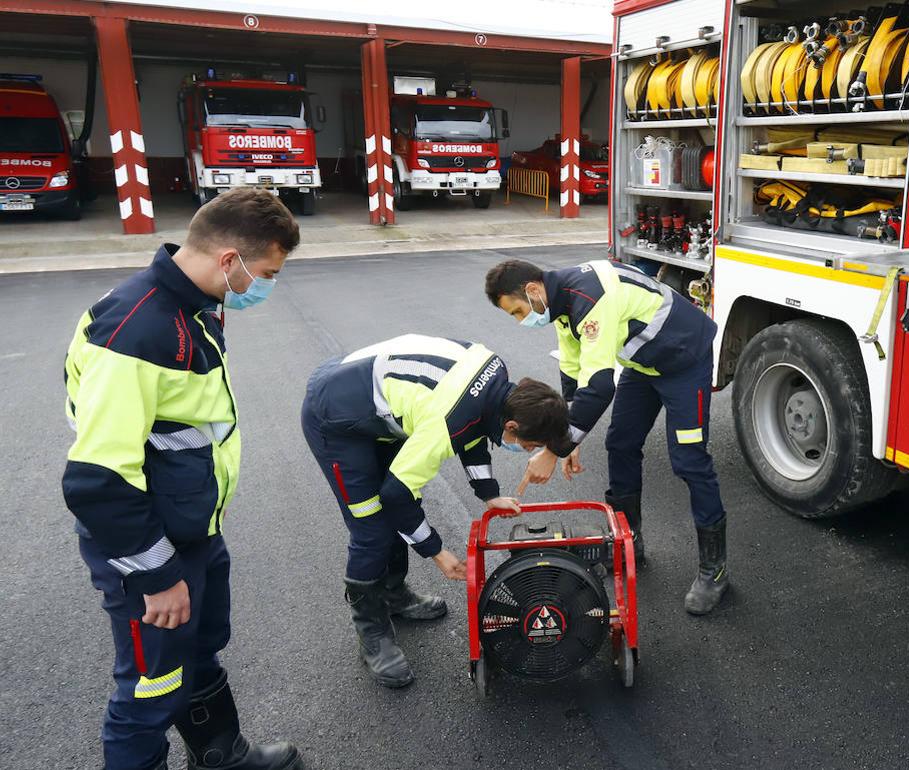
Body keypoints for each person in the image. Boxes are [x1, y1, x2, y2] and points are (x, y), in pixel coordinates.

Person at [62, 188, 303, 770]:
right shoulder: (139, 330)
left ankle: (221, 754)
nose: (263, 285)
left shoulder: (188, 307)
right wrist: (158, 575)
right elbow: (98, 478)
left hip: (190, 526)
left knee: (197, 653)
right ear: (229, 260)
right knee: (150, 689)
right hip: (151, 547)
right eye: (265, 272)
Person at [300, 334, 570, 687]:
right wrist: (437, 551)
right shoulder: (447, 420)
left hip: (374, 408)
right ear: (512, 426)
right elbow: (399, 495)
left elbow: (474, 432)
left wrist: (489, 494)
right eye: (530, 445)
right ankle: (372, 633)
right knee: (373, 528)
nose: (527, 450)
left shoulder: (497, 384)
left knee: (393, 508)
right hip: (335, 417)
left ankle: (394, 594)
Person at [484, 259, 729, 615]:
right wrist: (566, 437)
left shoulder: (588, 297)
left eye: (518, 311)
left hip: (683, 359)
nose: (522, 320)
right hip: (642, 363)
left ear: (533, 290)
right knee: (621, 443)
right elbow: (573, 373)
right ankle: (630, 544)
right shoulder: (561, 307)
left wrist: (556, 448)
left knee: (689, 460)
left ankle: (715, 569)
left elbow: (599, 388)